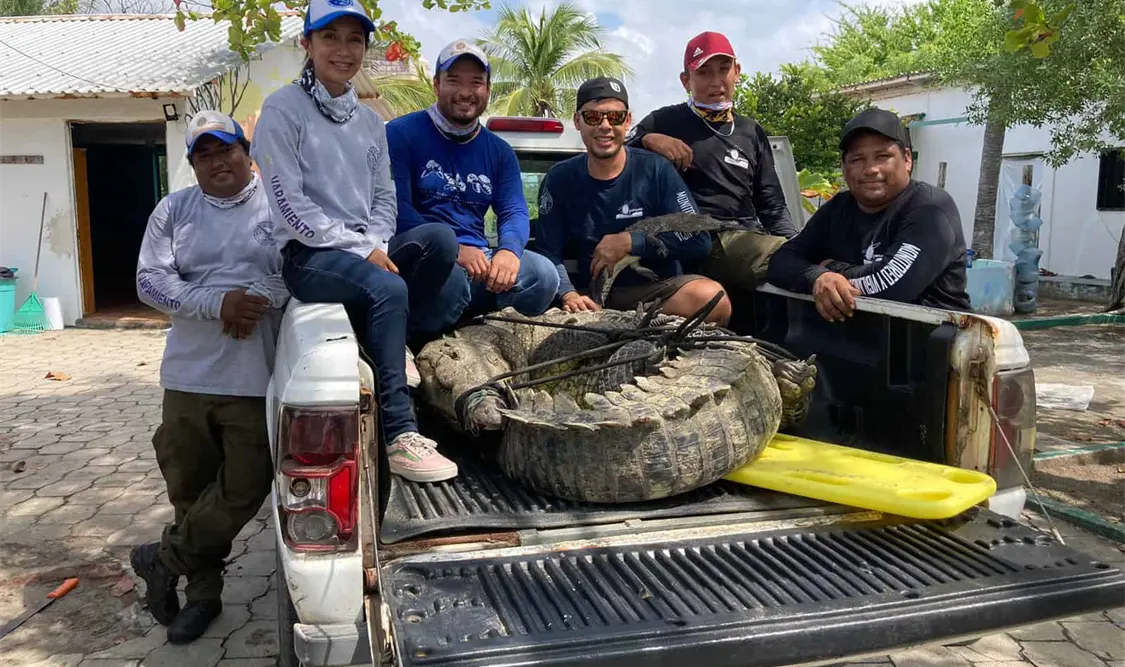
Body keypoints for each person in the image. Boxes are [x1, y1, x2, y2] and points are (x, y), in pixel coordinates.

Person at [250, 0, 458, 482]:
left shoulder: (368, 122)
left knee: (439, 241)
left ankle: (393, 341)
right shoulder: (283, 110)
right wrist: (360, 249)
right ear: (307, 44)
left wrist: (377, 242)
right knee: (389, 288)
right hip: (310, 256)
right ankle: (402, 435)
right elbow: (288, 204)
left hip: (367, 248)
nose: (344, 50)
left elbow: (384, 195)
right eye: (330, 37)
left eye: (355, 39)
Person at [132, 110, 286, 643]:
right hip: (188, 377)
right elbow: (150, 282)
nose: (219, 161)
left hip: (253, 376)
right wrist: (218, 303)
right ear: (193, 164)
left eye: (227, 150)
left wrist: (258, 299)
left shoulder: (280, 203)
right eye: (205, 154)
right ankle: (202, 598)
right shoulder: (173, 211)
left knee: (247, 484)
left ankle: (164, 557)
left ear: (248, 152)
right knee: (190, 490)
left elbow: (302, 269)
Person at [385, 39, 558, 338]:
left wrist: (508, 251)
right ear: (437, 85)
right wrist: (456, 251)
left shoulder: (499, 151)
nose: (466, 92)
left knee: (543, 275)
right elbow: (396, 209)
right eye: (454, 81)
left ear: (488, 90)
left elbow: (514, 209)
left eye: (476, 82)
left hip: (480, 262)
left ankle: (468, 323)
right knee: (448, 278)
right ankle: (421, 330)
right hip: (426, 261)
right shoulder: (399, 134)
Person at [534, 77, 730, 325]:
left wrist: (632, 242)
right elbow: (547, 251)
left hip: (657, 295)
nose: (604, 125)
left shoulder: (656, 170)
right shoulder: (560, 178)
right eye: (593, 117)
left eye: (614, 117)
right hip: (593, 300)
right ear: (577, 121)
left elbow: (698, 238)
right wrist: (567, 293)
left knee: (713, 298)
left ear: (627, 122)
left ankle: (641, 329)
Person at [625, 31, 795, 289]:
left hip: (750, 240)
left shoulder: (751, 130)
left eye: (723, 69)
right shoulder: (664, 121)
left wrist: (796, 244)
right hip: (702, 241)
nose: (716, 81)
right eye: (704, 72)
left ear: (737, 71)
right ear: (686, 80)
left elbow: (772, 205)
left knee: (802, 255)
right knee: (788, 259)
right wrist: (648, 140)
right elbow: (619, 151)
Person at [767, 108, 971, 322]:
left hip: (936, 343)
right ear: (844, 167)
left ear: (907, 159)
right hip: (860, 346)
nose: (871, 169)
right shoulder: (837, 209)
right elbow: (781, 262)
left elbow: (891, 284)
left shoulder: (930, 208)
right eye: (858, 159)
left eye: (883, 156)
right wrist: (818, 276)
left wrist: (832, 268)